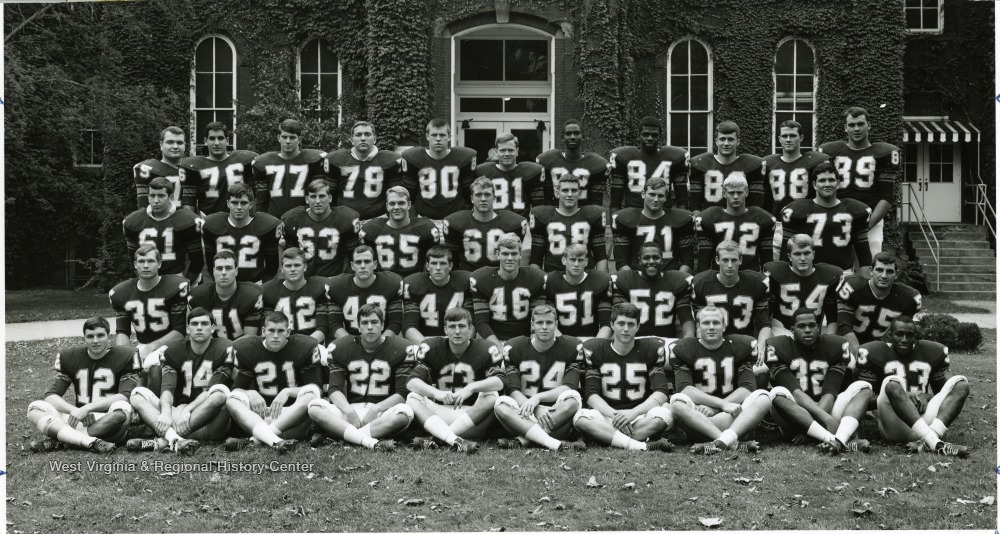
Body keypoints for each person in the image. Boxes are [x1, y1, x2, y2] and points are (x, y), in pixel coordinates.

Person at [308, 303, 417, 450]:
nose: (370, 327)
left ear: (382, 325)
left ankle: (347, 437)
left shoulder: (401, 348)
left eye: (374, 322)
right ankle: (366, 439)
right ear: (358, 327)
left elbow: (403, 393)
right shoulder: (342, 347)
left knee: (404, 413)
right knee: (314, 407)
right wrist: (348, 410)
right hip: (351, 410)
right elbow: (334, 389)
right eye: (364, 323)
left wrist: (376, 409)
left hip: (383, 412)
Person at [857, 316, 970, 457]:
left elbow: (945, 396)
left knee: (961, 383)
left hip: (925, 419)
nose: (904, 339)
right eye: (899, 334)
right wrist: (900, 396)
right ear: (890, 335)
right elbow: (863, 400)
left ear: (916, 336)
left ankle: (929, 439)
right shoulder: (874, 352)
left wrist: (925, 396)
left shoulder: (932, 351)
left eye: (910, 335)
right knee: (892, 382)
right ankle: (935, 443)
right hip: (893, 422)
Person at [766, 307, 873, 454]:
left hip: (828, 408)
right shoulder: (777, 346)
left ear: (818, 328)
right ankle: (841, 440)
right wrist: (826, 421)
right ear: (792, 329)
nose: (807, 330)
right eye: (801, 326)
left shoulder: (835, 345)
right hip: (795, 414)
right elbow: (795, 392)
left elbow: (830, 392)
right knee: (777, 393)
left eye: (812, 325)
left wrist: (818, 422)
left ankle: (833, 439)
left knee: (863, 386)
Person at [127, 307, 234, 453]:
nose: (199, 328)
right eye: (194, 324)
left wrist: (188, 410)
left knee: (219, 394)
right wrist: (166, 413)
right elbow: (168, 388)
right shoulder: (173, 349)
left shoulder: (224, 348)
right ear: (188, 328)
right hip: (178, 414)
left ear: (213, 328)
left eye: (204, 324)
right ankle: (175, 440)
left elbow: (212, 390)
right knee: (137, 394)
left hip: (208, 419)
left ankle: (166, 439)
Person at [26, 317, 140, 453]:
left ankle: (64, 440)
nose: (95, 340)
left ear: (108, 336)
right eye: (90, 336)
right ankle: (87, 441)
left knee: (123, 409)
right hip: (80, 419)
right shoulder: (71, 356)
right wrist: (74, 411)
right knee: (35, 407)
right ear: (84, 338)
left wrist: (87, 408)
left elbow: (125, 396)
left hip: (107, 419)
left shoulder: (125, 355)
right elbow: (51, 395)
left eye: (100, 335)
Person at [572, 303, 675, 451]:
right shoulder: (596, 349)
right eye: (621, 323)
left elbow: (661, 391)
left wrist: (634, 413)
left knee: (665, 415)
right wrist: (614, 415)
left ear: (638, 326)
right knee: (580, 418)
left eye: (631, 324)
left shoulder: (650, 348)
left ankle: (606, 437)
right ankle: (641, 445)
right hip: (607, 415)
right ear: (612, 325)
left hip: (639, 415)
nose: (626, 329)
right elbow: (591, 394)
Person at [669, 306, 772, 454]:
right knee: (677, 403)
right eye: (706, 323)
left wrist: (718, 408)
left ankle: (720, 442)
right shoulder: (684, 348)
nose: (711, 327)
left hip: (733, 415)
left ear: (724, 325)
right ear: (698, 326)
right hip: (699, 417)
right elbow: (685, 389)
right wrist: (721, 404)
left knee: (764, 397)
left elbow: (748, 387)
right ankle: (731, 443)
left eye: (716, 323)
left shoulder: (740, 346)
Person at [404, 308, 507, 453]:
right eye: (452, 326)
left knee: (492, 396)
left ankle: (439, 438)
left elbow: (501, 381)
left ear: (470, 329)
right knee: (412, 397)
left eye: (462, 326)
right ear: (445, 329)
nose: (457, 331)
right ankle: (453, 439)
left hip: (471, 415)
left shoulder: (486, 349)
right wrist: (436, 393)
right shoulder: (431, 347)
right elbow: (411, 381)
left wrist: (471, 388)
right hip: (439, 413)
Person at [224, 311, 324, 452]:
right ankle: (273, 440)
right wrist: (250, 393)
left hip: (292, 415)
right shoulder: (248, 348)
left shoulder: (304, 347)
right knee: (231, 400)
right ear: (263, 331)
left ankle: (255, 440)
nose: (276, 335)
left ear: (288, 332)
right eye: (271, 330)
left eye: (281, 331)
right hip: (260, 415)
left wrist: (288, 392)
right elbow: (237, 389)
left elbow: (316, 389)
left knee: (311, 397)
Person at [493, 305, 588, 450]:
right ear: (532, 325)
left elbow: (569, 386)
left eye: (549, 322)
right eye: (539, 322)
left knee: (573, 399)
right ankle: (549, 441)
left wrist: (537, 398)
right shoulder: (515, 347)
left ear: (556, 324)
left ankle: (523, 440)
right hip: (524, 414)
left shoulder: (570, 346)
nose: (544, 327)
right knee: (500, 404)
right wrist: (535, 408)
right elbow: (512, 390)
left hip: (556, 415)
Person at [818, 107, 901, 256]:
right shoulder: (832, 152)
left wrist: (866, 226)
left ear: (869, 125)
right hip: (837, 219)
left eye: (860, 124)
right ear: (845, 128)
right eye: (851, 125)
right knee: (837, 266)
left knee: (868, 266)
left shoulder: (883, 153)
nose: (856, 129)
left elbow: (887, 197)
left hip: (870, 220)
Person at [780, 160, 872, 275]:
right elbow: (786, 254)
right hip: (809, 275)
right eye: (822, 180)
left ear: (838, 183)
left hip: (843, 274)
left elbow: (864, 254)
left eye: (831, 180)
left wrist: (864, 282)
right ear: (814, 185)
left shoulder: (854, 210)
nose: (827, 184)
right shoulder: (797, 210)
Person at [109, 244, 189, 376]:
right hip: (143, 346)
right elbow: (123, 331)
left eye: (151, 261)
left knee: (152, 365)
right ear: (135, 264)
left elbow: (180, 331)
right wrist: (123, 355)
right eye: (141, 261)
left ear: (159, 264)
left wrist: (151, 347)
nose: (146, 265)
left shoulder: (175, 287)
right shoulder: (121, 292)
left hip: (173, 346)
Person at [762, 120, 828, 257]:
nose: (788, 139)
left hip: (806, 222)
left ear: (801, 137)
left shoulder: (813, 163)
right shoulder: (769, 164)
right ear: (779, 138)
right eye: (784, 136)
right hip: (779, 225)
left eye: (792, 135)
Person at [468, 233, 547, 346]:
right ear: (497, 254)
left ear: (520, 254)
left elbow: (537, 318)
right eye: (505, 254)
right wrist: (500, 348)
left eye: (514, 254)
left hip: (525, 342)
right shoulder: (481, 279)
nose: (510, 258)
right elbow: (482, 323)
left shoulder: (536, 278)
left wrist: (532, 345)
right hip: (493, 341)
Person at [837, 251, 922, 353]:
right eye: (879, 270)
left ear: (896, 274)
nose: (884, 276)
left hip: (883, 349)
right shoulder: (852, 288)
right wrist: (860, 356)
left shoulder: (908, 298)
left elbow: (904, 335)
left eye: (889, 271)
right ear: (871, 271)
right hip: (849, 348)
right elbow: (844, 328)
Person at [691, 241, 771, 350]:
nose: (729, 265)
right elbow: (699, 327)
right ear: (717, 260)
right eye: (725, 260)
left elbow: (764, 323)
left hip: (745, 344)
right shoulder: (701, 283)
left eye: (734, 260)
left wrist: (761, 346)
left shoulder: (756, 283)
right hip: (713, 345)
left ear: (740, 260)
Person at [123, 176, 204, 282]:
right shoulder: (133, 221)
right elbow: (133, 259)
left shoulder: (188, 221)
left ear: (170, 197)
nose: (156, 201)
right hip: (147, 279)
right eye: (152, 196)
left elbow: (197, 261)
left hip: (175, 278)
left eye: (161, 196)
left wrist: (185, 283)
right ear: (148, 197)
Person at [401, 118, 478, 227]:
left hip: (456, 220)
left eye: (442, 135)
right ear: (427, 136)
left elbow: (469, 196)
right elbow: (409, 196)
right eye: (434, 135)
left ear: (449, 137)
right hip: (424, 220)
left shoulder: (463, 158)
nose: (438, 139)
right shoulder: (414, 158)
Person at [763, 234, 844, 337]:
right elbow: (766, 316)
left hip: (811, 335)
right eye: (797, 254)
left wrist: (828, 340)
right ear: (789, 256)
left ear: (813, 254)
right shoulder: (775, 274)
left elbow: (832, 317)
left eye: (806, 253)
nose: (802, 258)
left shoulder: (829, 275)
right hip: (781, 332)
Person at [201, 182, 281, 284]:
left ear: (251, 204)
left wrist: (263, 287)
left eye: (243, 203)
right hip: (223, 284)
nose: (239, 207)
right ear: (228, 203)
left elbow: (272, 267)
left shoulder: (267, 226)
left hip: (255, 284)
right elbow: (209, 264)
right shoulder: (212, 224)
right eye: (234, 203)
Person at [443, 177, 530, 271]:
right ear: (472, 199)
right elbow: (453, 262)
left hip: (499, 276)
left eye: (487, 195)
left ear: (494, 198)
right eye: (478, 195)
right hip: (468, 275)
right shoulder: (457, 223)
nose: (483, 199)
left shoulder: (512, 222)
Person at [612, 241, 694, 339]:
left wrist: (689, 338)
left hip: (666, 342)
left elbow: (685, 316)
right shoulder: (625, 280)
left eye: (656, 257)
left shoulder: (677, 281)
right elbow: (619, 318)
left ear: (662, 260)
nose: (651, 261)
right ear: (639, 261)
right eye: (646, 258)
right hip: (634, 341)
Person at [611, 177, 695, 273]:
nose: (656, 199)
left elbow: (687, 262)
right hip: (636, 277)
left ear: (666, 197)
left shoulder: (681, 220)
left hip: (670, 277)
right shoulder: (625, 219)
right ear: (643, 194)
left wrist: (676, 280)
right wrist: (634, 280)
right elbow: (621, 263)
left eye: (660, 196)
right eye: (652, 194)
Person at [694, 175, 775, 273]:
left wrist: (766, 278)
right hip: (720, 277)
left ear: (746, 192)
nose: (736, 197)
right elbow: (704, 261)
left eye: (739, 192)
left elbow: (767, 261)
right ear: (724, 193)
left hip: (752, 277)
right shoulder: (710, 217)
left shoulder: (761, 218)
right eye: (731, 193)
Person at [281, 179, 361, 277]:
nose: (317, 201)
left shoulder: (345, 219)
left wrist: (344, 280)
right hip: (304, 280)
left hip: (333, 279)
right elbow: (289, 257)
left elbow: (354, 258)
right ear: (307, 199)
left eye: (322, 196)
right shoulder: (293, 219)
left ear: (330, 198)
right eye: (313, 196)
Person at [529, 173, 608, 273]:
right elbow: (536, 259)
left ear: (579, 193)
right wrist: (539, 280)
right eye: (565, 190)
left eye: (574, 190)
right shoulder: (542, 216)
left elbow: (600, 256)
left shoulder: (592, 216)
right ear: (557, 193)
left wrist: (600, 280)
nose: (570, 194)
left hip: (585, 276)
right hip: (553, 276)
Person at [608, 116, 689, 213]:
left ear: (660, 136)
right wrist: (615, 218)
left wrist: (681, 219)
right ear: (639, 135)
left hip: (663, 215)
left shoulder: (674, 158)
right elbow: (615, 202)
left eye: (654, 135)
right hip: (632, 215)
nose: (650, 138)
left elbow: (682, 201)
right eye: (645, 134)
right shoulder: (623, 158)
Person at [251, 118, 328, 219]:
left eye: (292, 137)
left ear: (299, 139)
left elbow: (317, 196)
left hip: (303, 220)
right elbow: (262, 201)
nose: (288, 141)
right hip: (273, 220)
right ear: (279, 138)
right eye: (284, 137)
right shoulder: (264, 163)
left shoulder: (313, 161)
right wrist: (260, 220)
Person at [326, 121, 403, 222]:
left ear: (374, 139)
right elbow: (330, 195)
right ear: (352, 140)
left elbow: (396, 196)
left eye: (367, 134)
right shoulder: (337, 159)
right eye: (358, 135)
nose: (363, 138)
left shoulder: (389, 160)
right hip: (344, 220)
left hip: (378, 220)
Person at [359, 186, 441, 278]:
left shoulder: (425, 228)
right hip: (383, 281)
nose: (396, 207)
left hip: (415, 280)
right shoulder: (371, 229)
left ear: (409, 205)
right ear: (387, 206)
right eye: (392, 203)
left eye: (401, 203)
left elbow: (433, 262)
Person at [179, 121, 258, 215]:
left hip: (239, 219)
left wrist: (252, 218)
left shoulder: (244, 161)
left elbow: (253, 198)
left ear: (227, 140)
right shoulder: (194, 166)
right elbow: (189, 206)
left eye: (220, 138)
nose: (216, 143)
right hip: (209, 220)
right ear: (205, 140)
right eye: (212, 138)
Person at [688, 121, 765, 214]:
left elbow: (755, 206)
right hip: (709, 220)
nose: (726, 143)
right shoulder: (700, 164)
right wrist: (701, 220)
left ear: (738, 142)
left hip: (740, 220)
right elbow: (694, 205)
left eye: (730, 139)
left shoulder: (751, 165)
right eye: (722, 139)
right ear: (716, 141)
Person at [327, 246, 404, 339]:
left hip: (383, 340)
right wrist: (351, 344)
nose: (363, 266)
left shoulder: (391, 283)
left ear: (375, 264)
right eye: (358, 262)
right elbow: (335, 324)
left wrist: (381, 343)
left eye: (367, 261)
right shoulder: (337, 286)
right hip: (350, 340)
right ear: (352, 266)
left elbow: (395, 323)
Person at [187, 250, 264, 340]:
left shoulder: (251, 295)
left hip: (242, 347)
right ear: (213, 271)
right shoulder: (197, 296)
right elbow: (191, 333)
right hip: (208, 346)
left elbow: (250, 336)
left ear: (236, 271)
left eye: (228, 268)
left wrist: (226, 347)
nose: (223, 272)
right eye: (219, 268)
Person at [402, 246, 471, 343]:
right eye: (434, 263)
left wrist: (463, 343)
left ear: (450, 266)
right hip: (424, 339)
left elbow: (471, 323)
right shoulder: (414, 284)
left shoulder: (465, 281)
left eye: (443, 263)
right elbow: (409, 326)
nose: (438, 268)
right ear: (427, 266)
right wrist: (427, 346)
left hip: (458, 340)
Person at [261, 248, 330, 344]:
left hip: (312, 344)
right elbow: (266, 328)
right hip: (280, 345)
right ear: (282, 269)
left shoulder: (319, 286)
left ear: (305, 267)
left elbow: (323, 328)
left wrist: (303, 346)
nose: (293, 269)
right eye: (288, 266)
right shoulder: (268, 290)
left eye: (297, 265)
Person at [544, 244, 613, 339]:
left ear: (586, 262)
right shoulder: (552, 281)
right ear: (564, 260)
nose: (576, 264)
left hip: (592, 340)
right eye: (572, 260)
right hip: (559, 342)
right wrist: (566, 344)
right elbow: (548, 323)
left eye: (580, 260)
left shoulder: (599, 280)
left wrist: (595, 345)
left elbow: (607, 324)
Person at [536, 119, 609, 206]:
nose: (572, 137)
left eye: (576, 133)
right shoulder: (548, 160)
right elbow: (547, 199)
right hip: (556, 212)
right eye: (568, 134)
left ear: (583, 136)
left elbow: (596, 203)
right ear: (562, 137)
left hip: (584, 212)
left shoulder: (596, 163)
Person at [471, 133, 544, 218]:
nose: (507, 154)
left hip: (520, 222)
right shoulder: (482, 172)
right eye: (502, 150)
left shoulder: (531, 172)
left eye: (511, 150)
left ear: (517, 151)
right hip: (492, 223)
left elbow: (538, 208)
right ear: (496, 152)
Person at [133, 126, 192, 211]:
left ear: (185, 145)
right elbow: (144, 208)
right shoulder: (148, 169)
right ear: (161, 145)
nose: (175, 146)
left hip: (188, 218)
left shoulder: (192, 170)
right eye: (170, 142)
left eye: (179, 143)